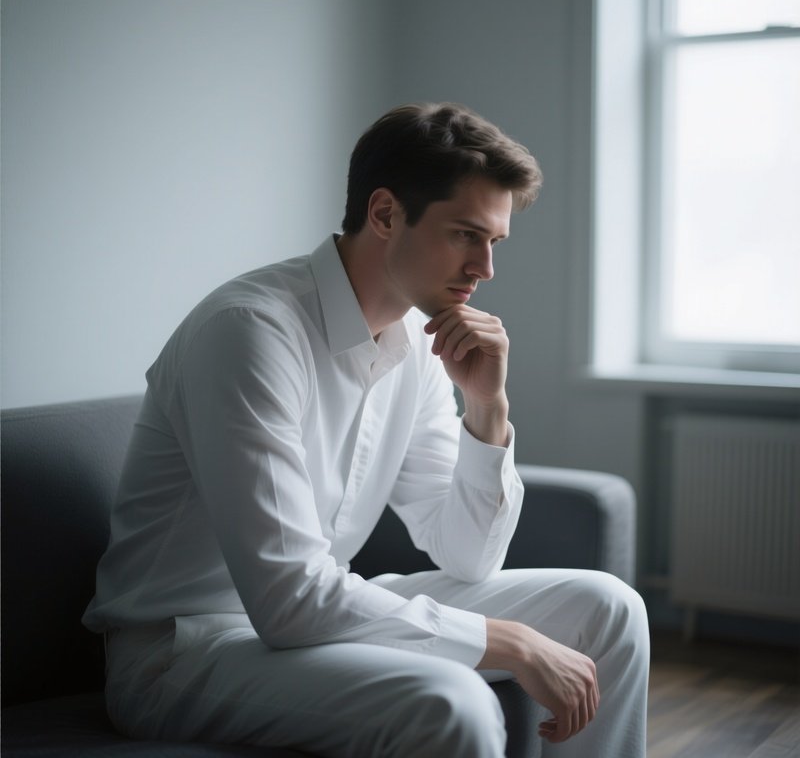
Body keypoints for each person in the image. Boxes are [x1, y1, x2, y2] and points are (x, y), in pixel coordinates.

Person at [84, 102, 649, 757]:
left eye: (494, 242)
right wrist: (508, 641)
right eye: (466, 234)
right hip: (187, 652)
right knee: (452, 706)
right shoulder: (248, 333)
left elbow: (468, 555)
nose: (485, 268)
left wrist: (487, 409)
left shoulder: (418, 339)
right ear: (384, 214)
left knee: (609, 608)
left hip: (314, 616)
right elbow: (290, 599)